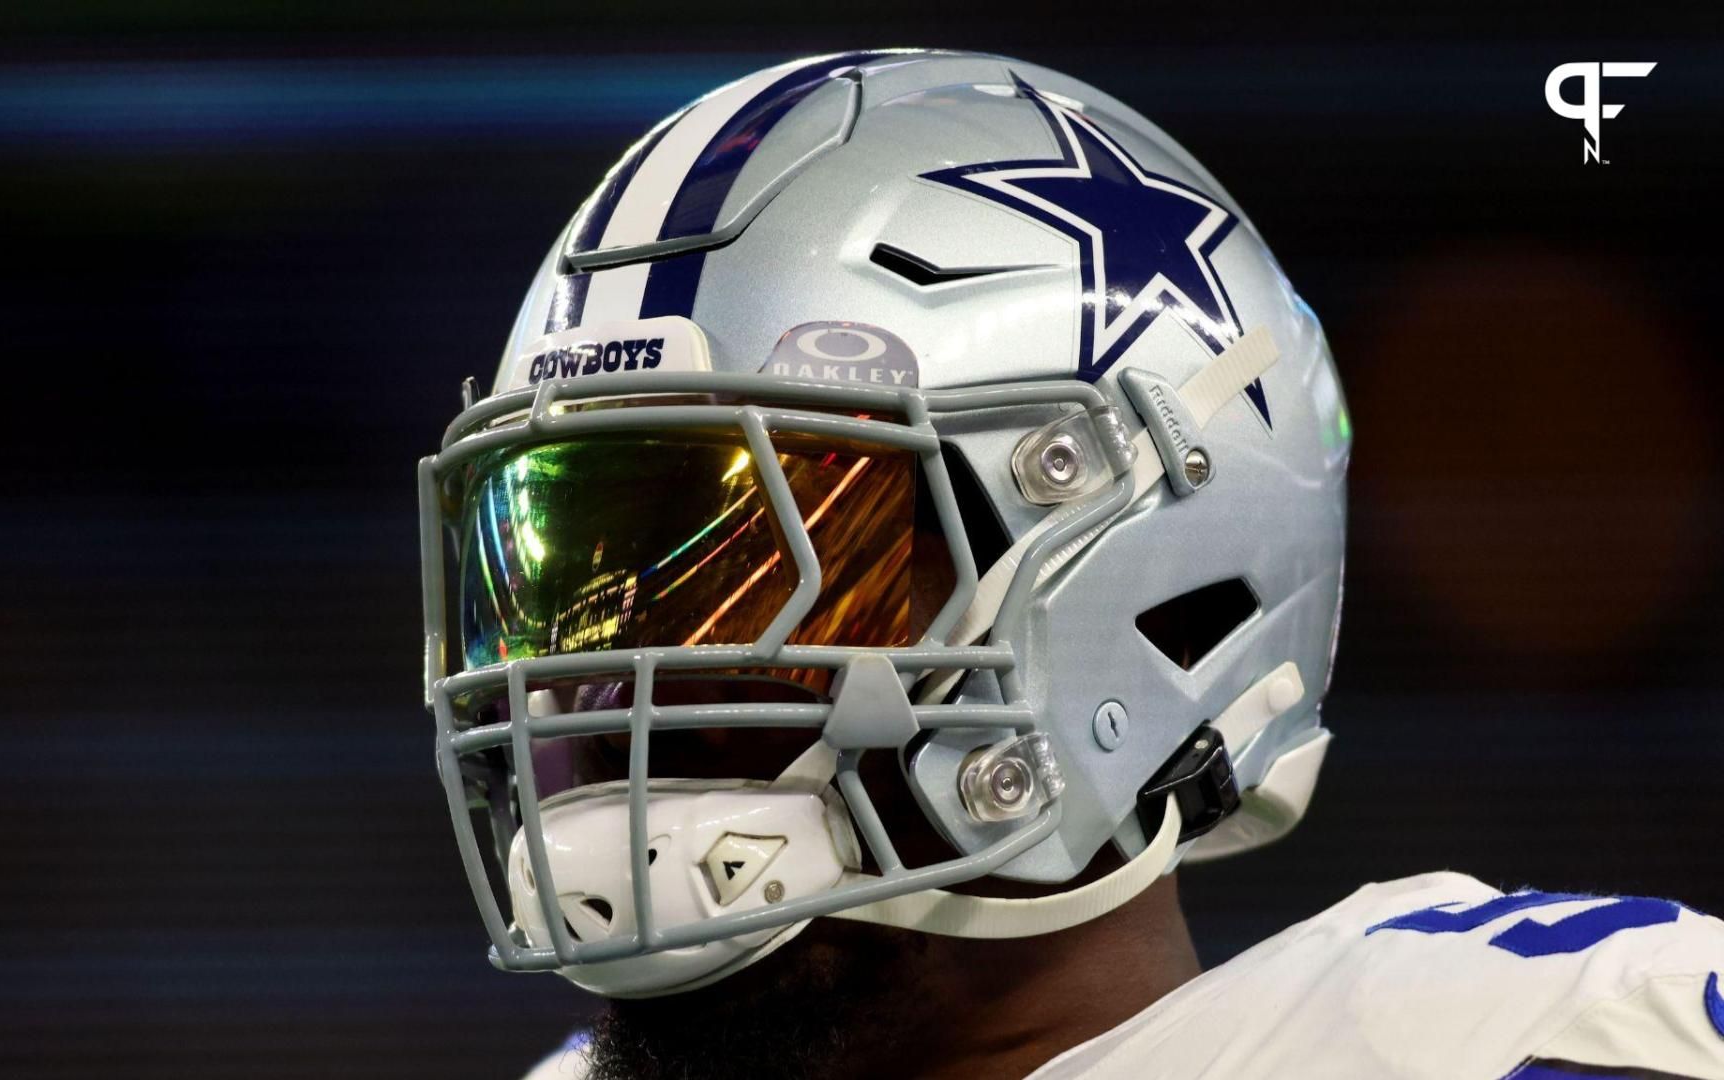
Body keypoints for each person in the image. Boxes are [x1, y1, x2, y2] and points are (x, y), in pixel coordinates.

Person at [413, 50, 1724, 1079]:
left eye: (760, 562)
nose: (596, 685)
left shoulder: (1530, 1047)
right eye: (571, 570)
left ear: (1144, 579)